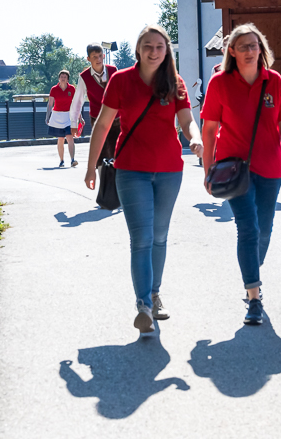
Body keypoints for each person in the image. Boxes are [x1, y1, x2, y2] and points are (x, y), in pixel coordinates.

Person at [84, 24, 203, 334]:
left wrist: (195, 138)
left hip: (169, 170)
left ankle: (155, 294)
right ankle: (144, 306)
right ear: (138, 49)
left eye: (159, 47)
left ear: (167, 51)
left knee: (159, 236)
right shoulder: (121, 81)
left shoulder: (175, 82)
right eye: (148, 46)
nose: (153, 51)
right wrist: (91, 166)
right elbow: (102, 124)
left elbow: (187, 119)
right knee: (142, 238)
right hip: (131, 170)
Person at [201, 23, 281, 326]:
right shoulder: (220, 83)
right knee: (248, 229)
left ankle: (251, 272)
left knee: (264, 230)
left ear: (261, 49)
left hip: (270, 167)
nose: (249, 51)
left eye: (254, 46)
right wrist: (208, 169)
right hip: (233, 169)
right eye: (243, 46)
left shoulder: (274, 81)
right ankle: (254, 296)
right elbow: (209, 129)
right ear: (232, 51)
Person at [70, 43, 119, 169]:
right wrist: (74, 123)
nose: (98, 59)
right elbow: (77, 101)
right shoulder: (84, 77)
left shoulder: (113, 70)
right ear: (88, 59)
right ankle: (104, 178)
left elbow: (123, 93)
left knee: (118, 152)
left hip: (116, 118)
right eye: (94, 57)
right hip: (97, 118)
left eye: (100, 56)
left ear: (104, 56)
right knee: (101, 152)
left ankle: (118, 178)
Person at [46, 70, 77, 167]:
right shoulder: (54, 89)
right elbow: (50, 104)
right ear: (59, 78)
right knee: (60, 138)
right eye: (61, 76)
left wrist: (80, 116)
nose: (63, 78)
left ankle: (72, 160)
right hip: (57, 116)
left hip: (69, 116)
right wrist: (47, 116)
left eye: (65, 77)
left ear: (68, 79)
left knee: (70, 137)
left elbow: (75, 104)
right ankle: (62, 160)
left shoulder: (72, 89)